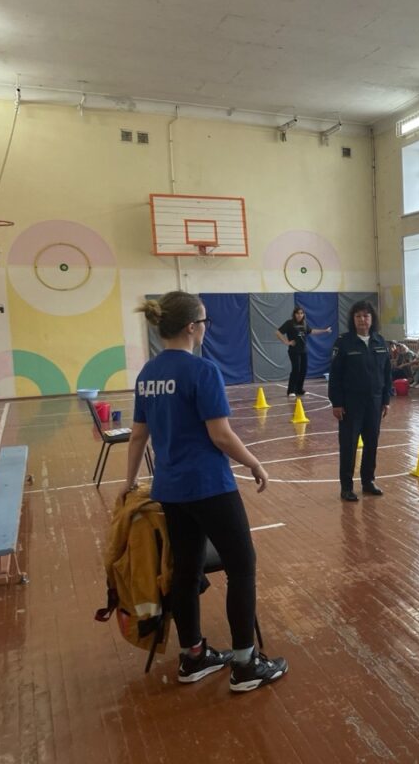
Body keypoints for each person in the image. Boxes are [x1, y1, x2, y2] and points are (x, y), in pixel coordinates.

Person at [123, 291, 287, 693]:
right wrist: (254, 462)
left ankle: (193, 655)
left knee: (186, 568)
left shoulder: (148, 373)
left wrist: (128, 483)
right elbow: (221, 435)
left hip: (171, 489)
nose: (205, 329)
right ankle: (245, 664)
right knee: (242, 565)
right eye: (205, 323)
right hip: (210, 486)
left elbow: (138, 436)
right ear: (193, 327)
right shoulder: (203, 371)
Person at [329, 300, 391, 502]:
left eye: (366, 316)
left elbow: (387, 373)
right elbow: (335, 375)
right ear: (352, 319)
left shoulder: (380, 341)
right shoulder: (343, 342)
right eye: (358, 316)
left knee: (372, 443)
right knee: (349, 445)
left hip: (374, 402)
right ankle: (346, 487)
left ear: (372, 319)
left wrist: (386, 400)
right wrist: (336, 403)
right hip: (350, 404)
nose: (362, 320)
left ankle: (368, 481)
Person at [276, 306, 332, 397]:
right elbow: (278, 332)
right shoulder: (289, 323)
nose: (299, 315)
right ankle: (291, 390)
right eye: (298, 313)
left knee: (303, 370)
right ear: (294, 314)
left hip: (303, 351)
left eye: (301, 313)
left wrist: (325, 330)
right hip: (294, 351)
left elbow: (312, 331)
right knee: (296, 370)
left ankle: (299, 389)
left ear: (303, 315)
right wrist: (287, 342)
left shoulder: (305, 324)